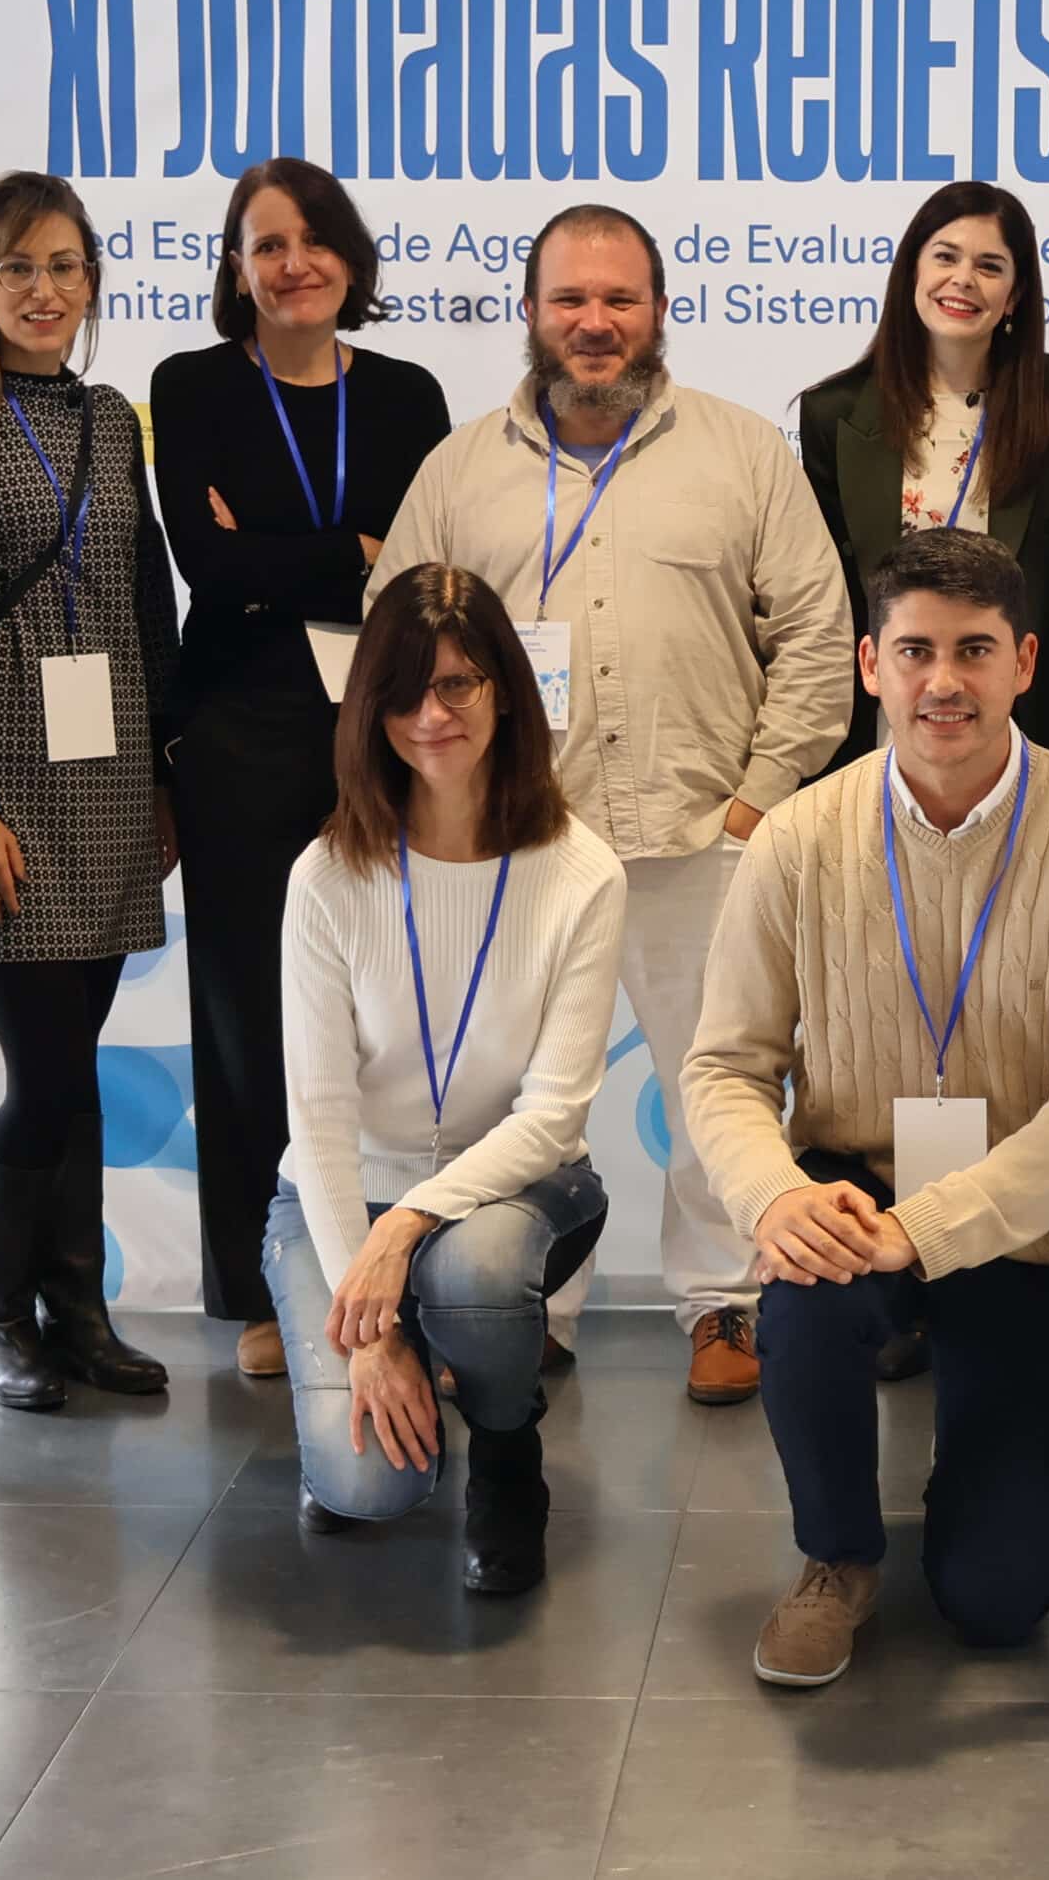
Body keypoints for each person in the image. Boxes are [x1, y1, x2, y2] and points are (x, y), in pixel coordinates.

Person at [369, 203, 852, 1405]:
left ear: (659, 310)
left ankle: (727, 1306)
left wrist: (757, 803)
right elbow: (391, 644)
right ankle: (527, 1302)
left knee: (721, 1079)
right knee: (523, 1086)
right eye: (571, 300)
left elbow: (817, 636)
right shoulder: (460, 469)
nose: (595, 324)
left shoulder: (744, 452)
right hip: (517, 842)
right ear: (530, 312)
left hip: (705, 835)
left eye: (619, 300)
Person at [681, 530, 1049, 1685]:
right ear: (869, 666)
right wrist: (774, 1196)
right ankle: (837, 1561)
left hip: (1031, 1226)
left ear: (1025, 663)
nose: (943, 680)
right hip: (856, 1191)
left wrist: (929, 1231)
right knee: (803, 1295)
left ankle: (972, 1485)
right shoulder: (796, 841)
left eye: (974, 650)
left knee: (996, 1605)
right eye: (915, 651)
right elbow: (724, 1067)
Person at [152, 157, 452, 1377]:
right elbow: (208, 570)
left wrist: (278, 552)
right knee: (245, 1017)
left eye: (315, 240)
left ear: (350, 258)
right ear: (237, 266)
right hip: (237, 733)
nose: (295, 263)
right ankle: (265, 1286)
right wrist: (346, 550)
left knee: (396, 1009)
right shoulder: (190, 387)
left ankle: (398, 1271)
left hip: (385, 730)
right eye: (267, 243)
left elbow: (417, 569)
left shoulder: (407, 395)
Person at [269, 566, 620, 1592]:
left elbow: (552, 1116)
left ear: (506, 690)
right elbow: (321, 1120)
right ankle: (394, 1357)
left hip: (518, 1188)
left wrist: (406, 1225)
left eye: (461, 683)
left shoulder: (582, 872)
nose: (434, 714)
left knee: (473, 1269)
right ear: (370, 708)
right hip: (344, 1197)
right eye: (408, 690)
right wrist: (367, 1328)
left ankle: (507, 1449)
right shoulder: (328, 876)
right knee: (364, 1491)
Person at [0, 171, 177, 1410]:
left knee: (75, 1054)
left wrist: (167, 776)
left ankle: (74, 1308)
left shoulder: (109, 418)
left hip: (112, 770)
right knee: (50, 1072)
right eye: (18, 267)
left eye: (66, 267)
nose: (45, 290)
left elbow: (146, 600)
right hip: (10, 783)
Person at [800, 180, 1049, 767]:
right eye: (945, 257)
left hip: (1024, 722)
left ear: (1014, 295)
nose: (963, 279)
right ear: (911, 271)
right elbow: (822, 592)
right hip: (888, 722)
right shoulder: (834, 413)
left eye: (989, 266)